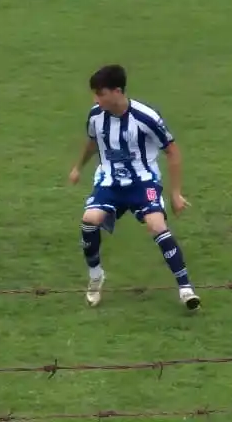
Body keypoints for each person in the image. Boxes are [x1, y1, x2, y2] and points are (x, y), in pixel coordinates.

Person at [69, 65, 199, 311]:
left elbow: (172, 151)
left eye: (100, 93)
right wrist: (78, 168)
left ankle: (185, 288)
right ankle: (96, 276)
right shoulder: (96, 115)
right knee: (89, 220)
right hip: (109, 181)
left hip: (143, 182)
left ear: (117, 91)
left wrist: (175, 193)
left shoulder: (146, 117)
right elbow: (92, 142)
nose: (95, 99)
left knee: (156, 225)